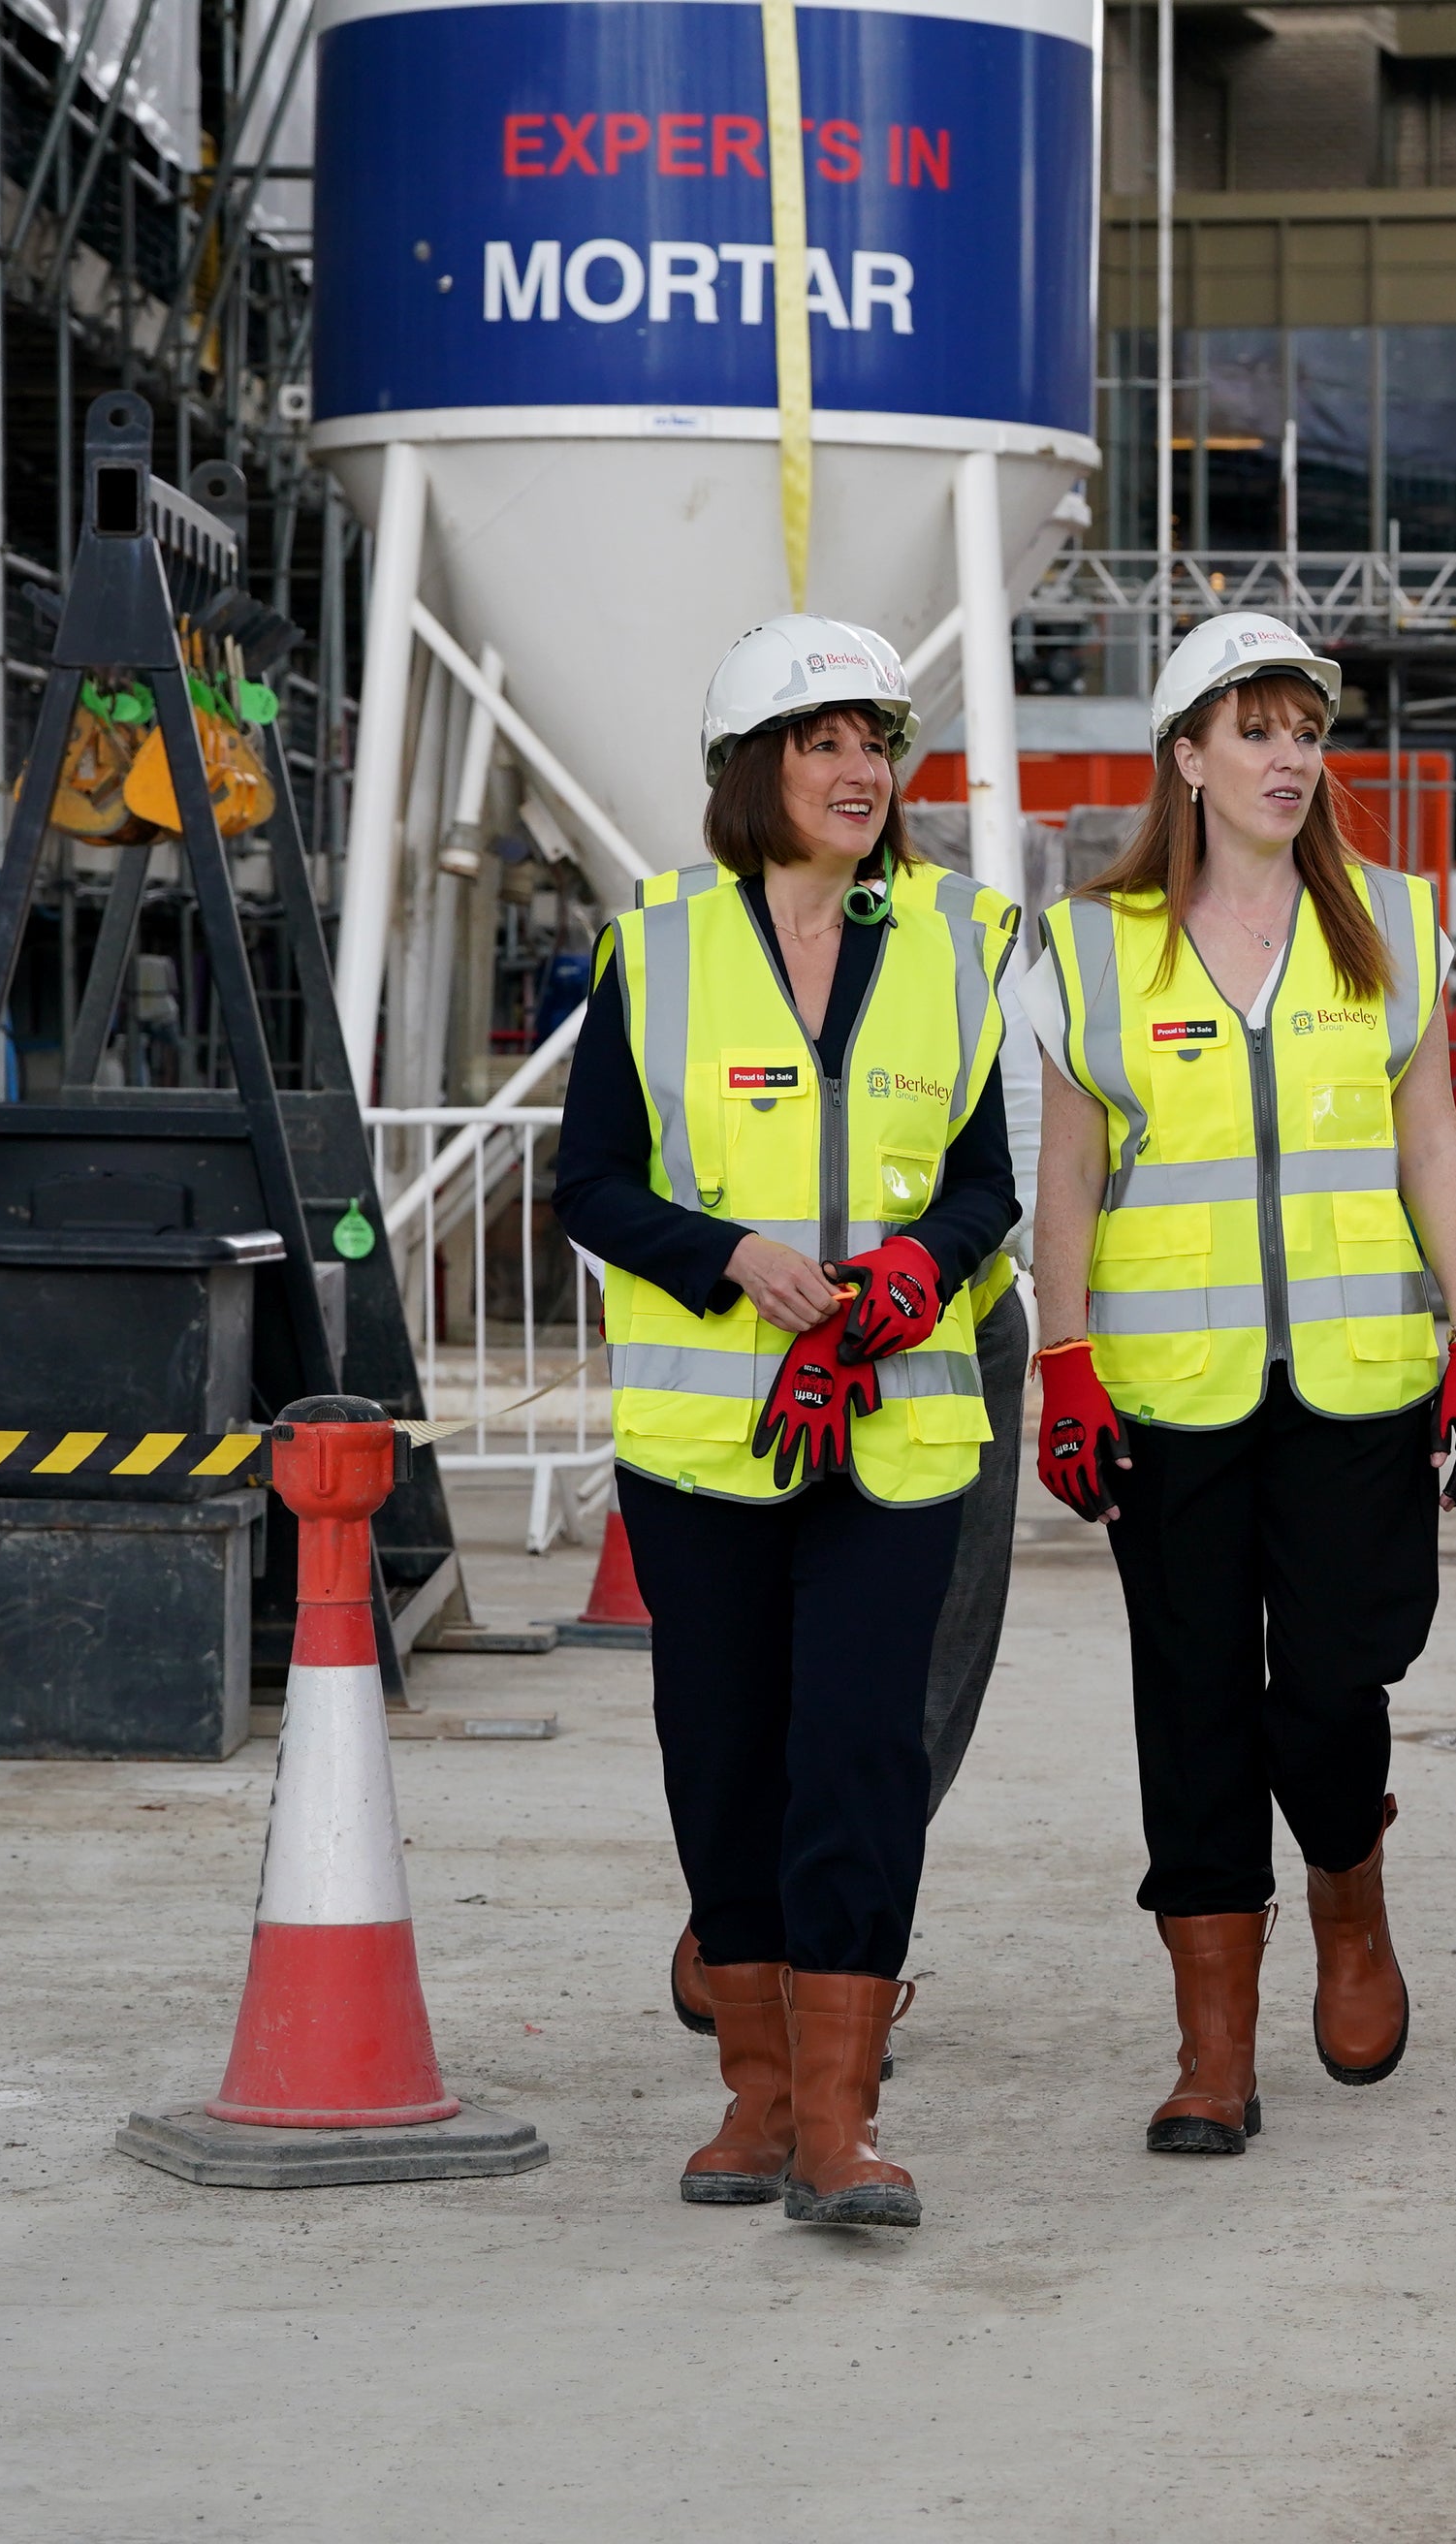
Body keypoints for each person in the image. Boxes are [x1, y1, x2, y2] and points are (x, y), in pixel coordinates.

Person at [1013, 612, 1456, 2159]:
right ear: (1188, 758)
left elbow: (1431, 1142)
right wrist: (1065, 1358)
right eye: (1258, 729)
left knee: (1336, 1686)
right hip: (1170, 1392)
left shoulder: (1392, 926)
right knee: (1195, 1702)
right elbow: (1072, 1168)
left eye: (1307, 731)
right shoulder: (1092, 946)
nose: (1292, 758)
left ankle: (1350, 1894)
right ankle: (1213, 2049)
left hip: (1359, 1380)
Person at [554, 615, 1019, 2232]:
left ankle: (839, 2119)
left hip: (893, 1427)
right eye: (821, 742)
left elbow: (989, 1181)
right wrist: (728, 1255)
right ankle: (750, 2096)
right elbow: (592, 1181)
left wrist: (922, 1265)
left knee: (861, 1758)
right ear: (754, 769)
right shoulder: (659, 944)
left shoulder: (959, 935)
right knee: (725, 1754)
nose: (857, 771)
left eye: (875, 742)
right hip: (708, 1442)